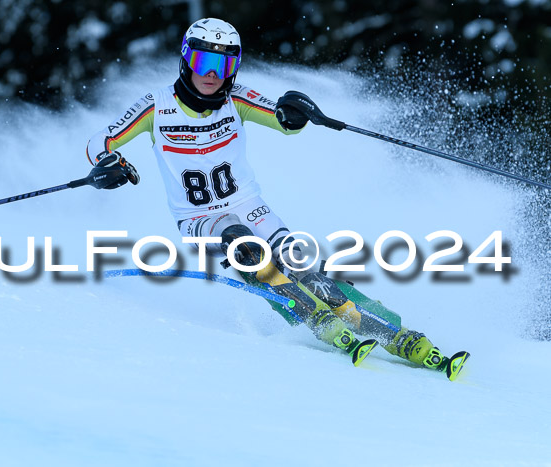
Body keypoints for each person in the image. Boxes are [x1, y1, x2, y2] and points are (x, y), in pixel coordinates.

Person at [85, 18, 466, 377]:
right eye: (203, 62)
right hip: (200, 218)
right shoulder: (157, 106)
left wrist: (298, 112)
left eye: (223, 64)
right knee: (241, 242)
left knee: (300, 264)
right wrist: (108, 162)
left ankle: (392, 332)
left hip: (251, 206)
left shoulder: (236, 97)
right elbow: (98, 140)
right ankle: (315, 319)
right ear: (186, 60)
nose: (212, 74)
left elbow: (282, 118)